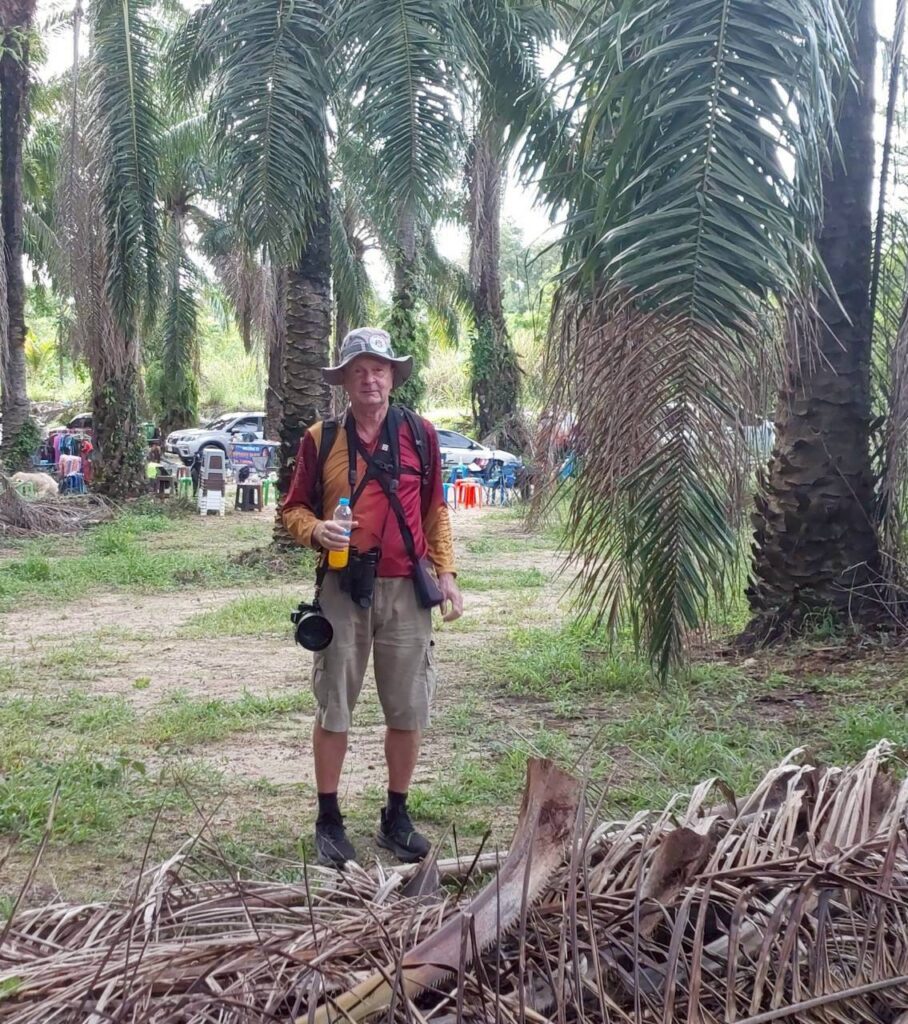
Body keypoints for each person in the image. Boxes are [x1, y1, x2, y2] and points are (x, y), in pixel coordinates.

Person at [282, 327, 464, 868]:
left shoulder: (420, 434)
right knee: (334, 705)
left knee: (408, 708)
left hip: (408, 588)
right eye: (358, 371)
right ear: (344, 380)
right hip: (343, 587)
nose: (370, 379)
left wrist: (447, 572)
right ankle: (329, 818)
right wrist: (317, 530)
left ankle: (396, 815)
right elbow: (292, 510)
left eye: (378, 369)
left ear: (392, 377)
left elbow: (435, 509)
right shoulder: (321, 438)